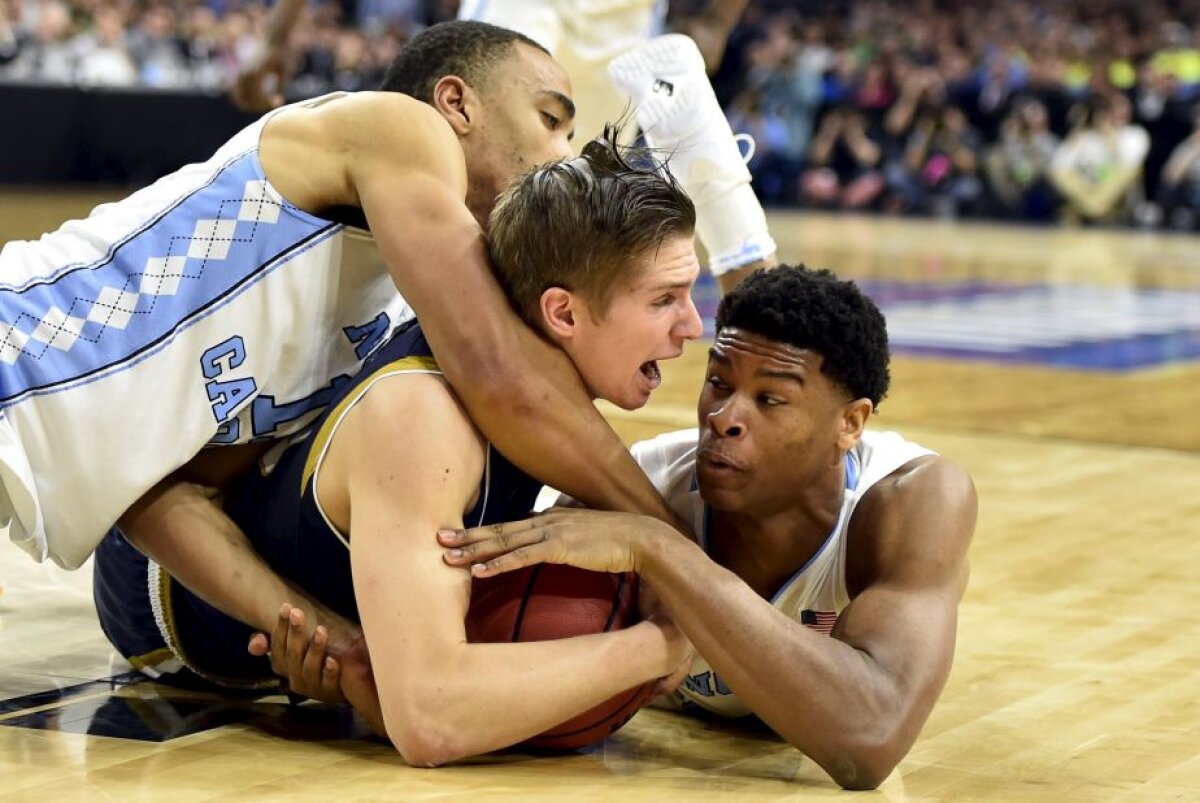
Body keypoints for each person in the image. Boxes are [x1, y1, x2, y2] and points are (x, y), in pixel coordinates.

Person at [93, 133, 703, 766]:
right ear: (563, 314)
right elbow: (429, 721)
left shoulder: (531, 379)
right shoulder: (424, 419)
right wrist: (661, 643)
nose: (693, 325)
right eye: (664, 300)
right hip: (163, 592)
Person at [0, 21, 678, 577]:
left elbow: (173, 488)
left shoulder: (387, 307)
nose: (562, 153)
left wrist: (319, 634)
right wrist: (676, 549)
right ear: (455, 102)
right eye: (550, 119)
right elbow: (504, 377)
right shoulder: (401, 128)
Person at [438, 265, 979, 789]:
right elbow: (462, 661)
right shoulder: (638, 486)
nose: (725, 416)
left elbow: (869, 741)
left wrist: (659, 548)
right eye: (718, 383)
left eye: (770, 399)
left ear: (850, 423)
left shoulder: (909, 501)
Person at [235, 1, 774, 293]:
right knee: (488, 185)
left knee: (571, 214)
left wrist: (715, 19)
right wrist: (276, 36)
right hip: (520, 10)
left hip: (622, 22)